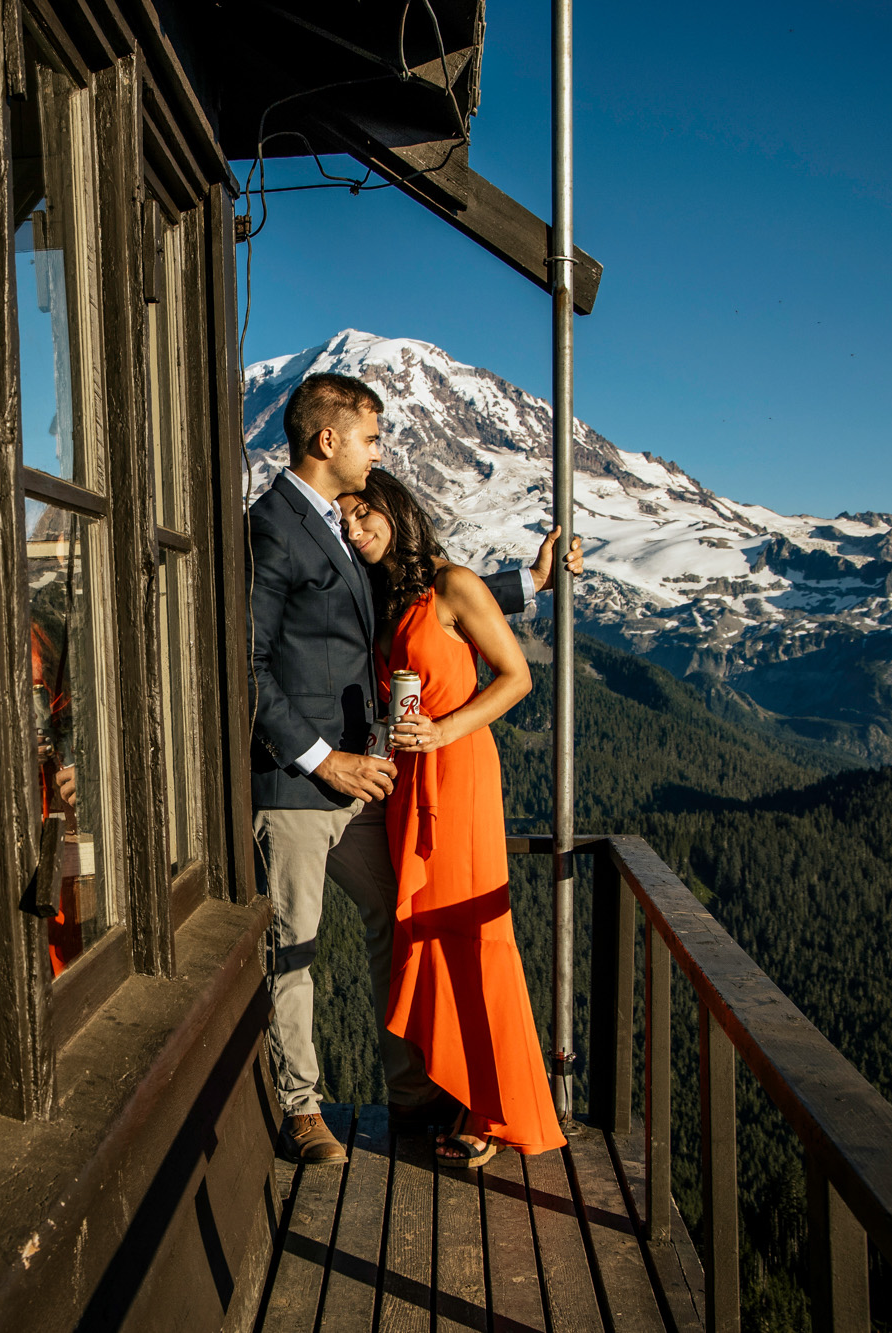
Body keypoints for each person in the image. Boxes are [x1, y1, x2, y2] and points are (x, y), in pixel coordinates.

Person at [250, 372, 576, 1165]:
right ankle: (302, 1109)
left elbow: (417, 590)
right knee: (294, 947)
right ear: (328, 441)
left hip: (366, 785)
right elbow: (246, 665)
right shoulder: (273, 527)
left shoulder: (333, 527)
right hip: (302, 782)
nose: (377, 452)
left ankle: (415, 1089)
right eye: (370, 436)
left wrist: (526, 584)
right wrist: (326, 759)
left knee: (398, 926)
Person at [340, 468, 565, 1165]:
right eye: (344, 521)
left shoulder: (453, 584)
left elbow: (517, 677)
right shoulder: (385, 598)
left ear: (395, 507)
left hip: (459, 776)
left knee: (474, 936)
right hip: (407, 782)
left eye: (364, 513)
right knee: (429, 937)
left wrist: (443, 731)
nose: (355, 530)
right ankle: (457, 1088)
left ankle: (496, 1110)